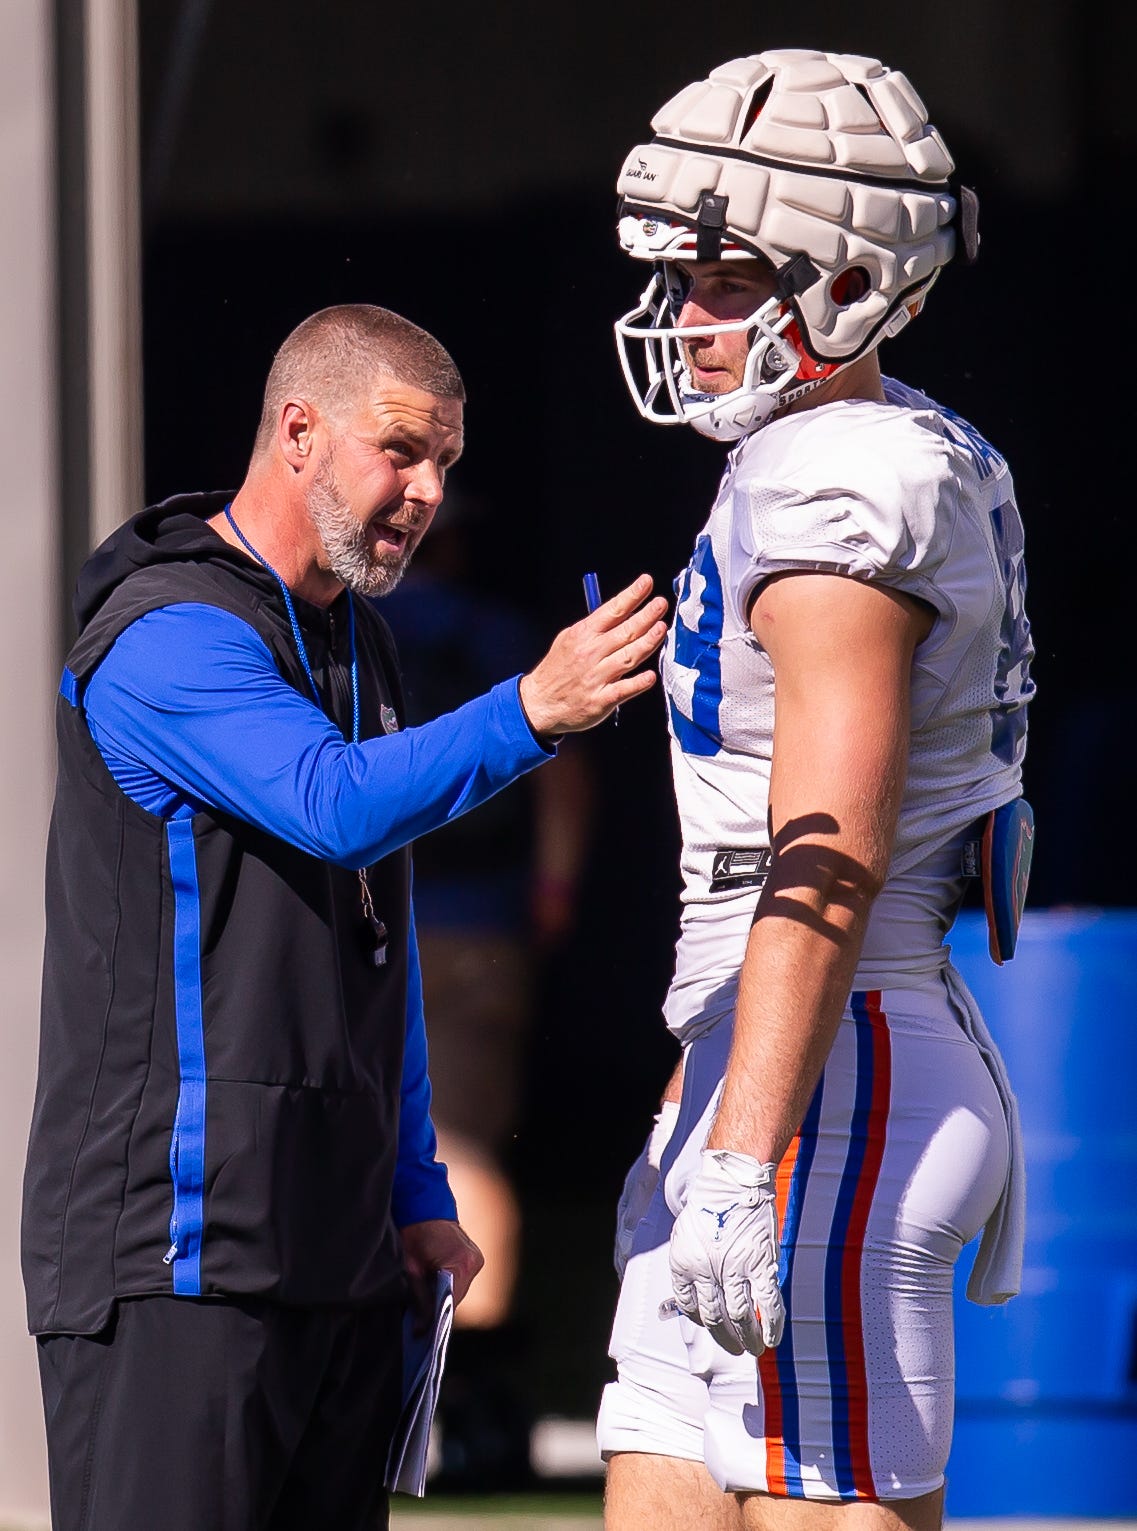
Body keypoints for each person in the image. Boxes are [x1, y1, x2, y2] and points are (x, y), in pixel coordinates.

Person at [20, 301, 668, 1531]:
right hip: (177, 1263)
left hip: (337, 1255)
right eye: (404, 451)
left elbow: (378, 949)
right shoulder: (168, 631)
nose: (428, 492)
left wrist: (416, 1188)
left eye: (447, 464)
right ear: (299, 429)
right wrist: (532, 708)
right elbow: (334, 807)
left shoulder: (356, 639)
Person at [595, 48, 1034, 1531]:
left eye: (724, 276)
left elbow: (826, 845)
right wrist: (706, 1089)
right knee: (653, 1447)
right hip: (769, 1048)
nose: (688, 315)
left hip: (836, 1059)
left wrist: (742, 1142)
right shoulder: (843, 452)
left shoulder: (844, 474)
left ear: (842, 284)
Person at [378, 496, 596, 1488]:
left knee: (443, 1154)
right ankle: (467, 1409)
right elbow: (563, 777)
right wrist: (550, 889)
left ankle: (463, 1410)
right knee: (458, 1147)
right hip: (469, 923)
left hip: (394, 915)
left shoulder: (348, 627)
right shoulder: (497, 637)